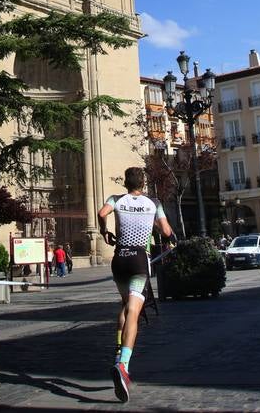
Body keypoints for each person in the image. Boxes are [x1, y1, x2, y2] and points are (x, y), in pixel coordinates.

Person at [97, 166, 173, 404]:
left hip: (119, 259)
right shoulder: (153, 203)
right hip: (140, 260)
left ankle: (119, 349)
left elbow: (102, 213)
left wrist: (105, 232)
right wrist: (169, 240)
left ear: (125, 183)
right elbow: (166, 230)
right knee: (134, 312)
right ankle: (123, 365)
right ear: (143, 183)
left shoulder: (116, 199)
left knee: (124, 305)